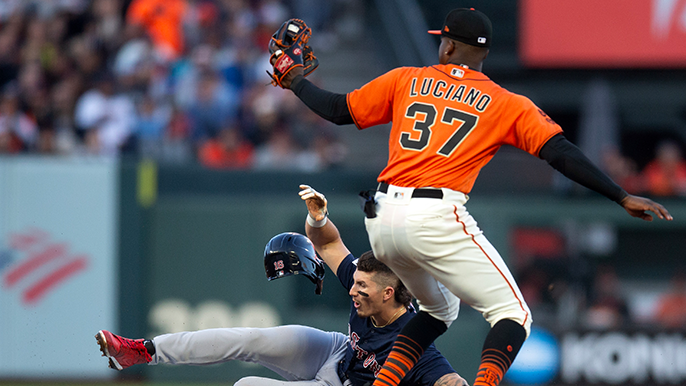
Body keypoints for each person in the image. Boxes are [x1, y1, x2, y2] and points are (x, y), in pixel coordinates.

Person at [270, 8, 673, 386]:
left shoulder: (407, 78)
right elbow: (561, 154)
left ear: (447, 46)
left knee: (438, 310)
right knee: (513, 314)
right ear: (482, 52)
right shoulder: (505, 103)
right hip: (433, 213)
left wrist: (296, 82)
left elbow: (339, 110)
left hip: (381, 215)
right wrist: (620, 195)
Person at [94, 184, 468, 386]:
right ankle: (142, 351)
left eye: (362, 287)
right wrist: (319, 218)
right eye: (354, 282)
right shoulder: (368, 282)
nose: (352, 291)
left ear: (390, 294)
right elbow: (328, 244)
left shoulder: (413, 343)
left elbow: (448, 378)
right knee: (252, 339)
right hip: (337, 354)